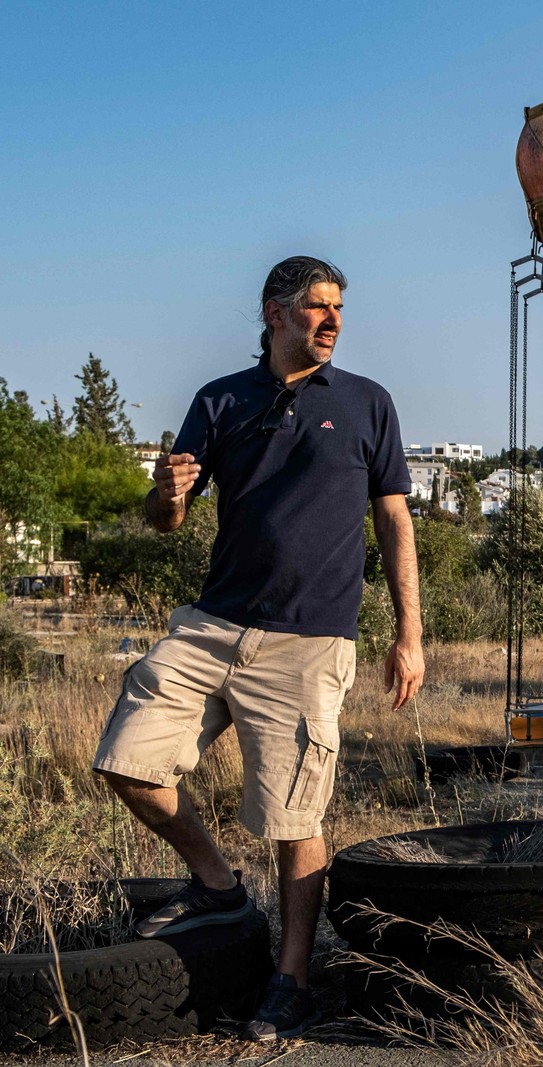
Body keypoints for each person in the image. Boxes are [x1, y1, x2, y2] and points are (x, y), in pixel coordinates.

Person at [93, 256, 424, 1041]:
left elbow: (395, 522)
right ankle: (215, 881)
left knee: (292, 815)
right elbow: (163, 516)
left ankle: (291, 980)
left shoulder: (368, 403)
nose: (333, 319)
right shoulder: (219, 399)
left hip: (309, 641)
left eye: (339, 306)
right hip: (212, 625)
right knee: (125, 759)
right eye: (316, 306)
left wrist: (409, 633)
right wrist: (165, 496)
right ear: (275, 314)